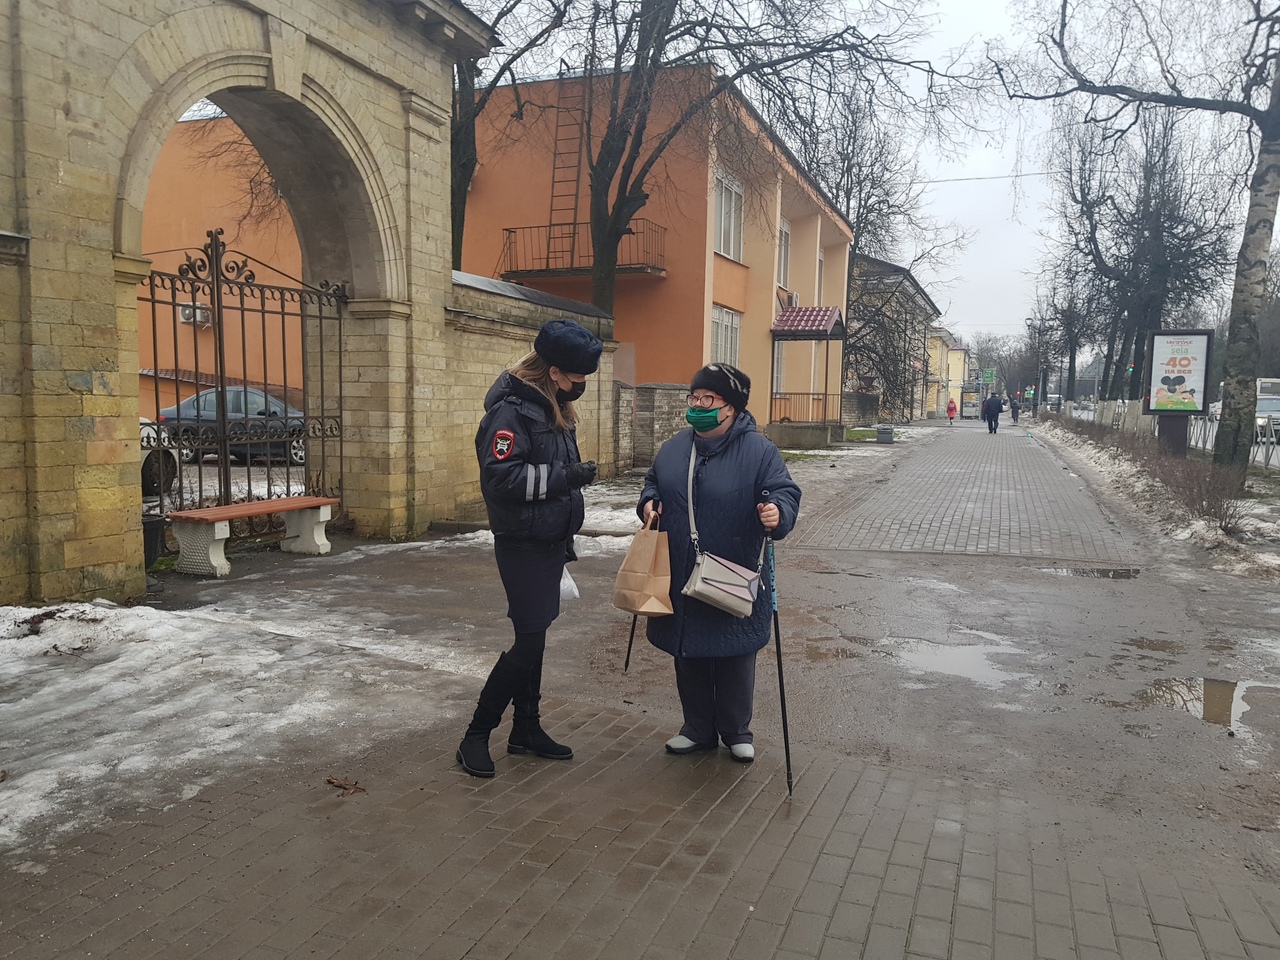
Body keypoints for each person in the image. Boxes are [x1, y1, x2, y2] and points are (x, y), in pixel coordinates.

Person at [458, 318, 603, 778]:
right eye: (577, 378)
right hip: (521, 542)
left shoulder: (550, 406)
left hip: (548, 540)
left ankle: (526, 729)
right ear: (555, 370)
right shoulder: (512, 412)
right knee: (527, 641)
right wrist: (567, 478)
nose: (580, 386)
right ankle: (475, 736)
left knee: (535, 636)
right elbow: (501, 480)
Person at [638, 364, 801, 764]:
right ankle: (696, 728)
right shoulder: (675, 447)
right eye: (693, 397)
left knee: (734, 653)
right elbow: (653, 483)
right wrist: (647, 503)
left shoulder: (760, 450)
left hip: (734, 569)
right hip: (680, 570)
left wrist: (776, 512)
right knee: (688, 651)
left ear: (731, 407)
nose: (696, 406)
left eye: (706, 399)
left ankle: (736, 731)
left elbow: (784, 491)